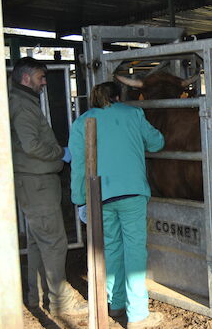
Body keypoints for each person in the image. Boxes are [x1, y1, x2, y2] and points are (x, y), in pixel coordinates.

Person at [69, 81, 165, 329]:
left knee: (111, 248)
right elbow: (156, 143)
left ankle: (116, 303)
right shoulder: (133, 113)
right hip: (132, 193)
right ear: (119, 97)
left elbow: (79, 165)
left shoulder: (81, 123)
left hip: (99, 195)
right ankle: (137, 315)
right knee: (134, 250)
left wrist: (80, 199)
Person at [9, 56, 87, 316]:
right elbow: (31, 145)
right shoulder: (23, 106)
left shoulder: (22, 102)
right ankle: (60, 302)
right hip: (37, 183)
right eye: (41, 78)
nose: (44, 83)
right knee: (54, 242)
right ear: (26, 78)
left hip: (33, 183)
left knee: (37, 242)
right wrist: (59, 152)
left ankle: (36, 296)